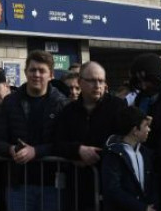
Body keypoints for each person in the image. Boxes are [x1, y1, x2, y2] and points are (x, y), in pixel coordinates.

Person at [0, 50, 68, 211]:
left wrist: (36, 151)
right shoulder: (10, 102)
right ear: (26, 72)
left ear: (51, 75)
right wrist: (11, 149)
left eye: (42, 71)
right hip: (18, 183)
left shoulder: (61, 104)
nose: (36, 74)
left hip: (52, 184)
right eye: (32, 70)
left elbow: (64, 143)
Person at [54, 61, 127, 211]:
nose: (97, 85)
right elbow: (57, 143)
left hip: (110, 184)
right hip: (78, 186)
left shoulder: (118, 107)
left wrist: (99, 154)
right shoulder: (68, 111)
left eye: (101, 81)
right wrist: (78, 151)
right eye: (92, 80)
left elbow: (124, 141)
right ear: (80, 82)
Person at [100, 106, 156, 211]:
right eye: (146, 125)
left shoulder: (146, 154)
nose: (149, 129)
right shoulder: (113, 154)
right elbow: (113, 189)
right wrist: (142, 208)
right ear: (135, 130)